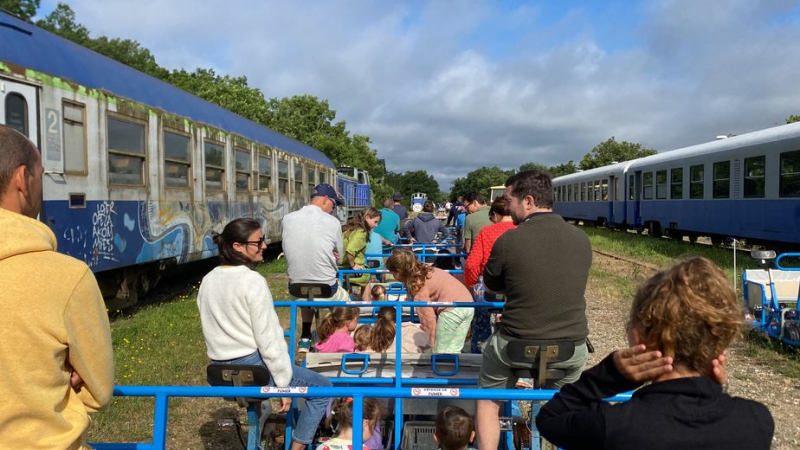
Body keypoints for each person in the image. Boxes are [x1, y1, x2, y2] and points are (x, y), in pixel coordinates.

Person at [536, 257, 775, 450]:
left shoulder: (612, 425)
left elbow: (549, 419)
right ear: (720, 343)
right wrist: (708, 388)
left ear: (640, 338)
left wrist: (609, 375)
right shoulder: (756, 421)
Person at [0, 124, 114, 449]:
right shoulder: (68, 277)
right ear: (23, 179)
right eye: (41, 175)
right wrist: (61, 381)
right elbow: (99, 391)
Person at [476, 170, 592, 449]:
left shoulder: (509, 240)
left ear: (528, 201)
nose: (507, 207)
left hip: (515, 344)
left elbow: (491, 284)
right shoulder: (581, 238)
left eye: (509, 200)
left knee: (487, 400)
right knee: (561, 401)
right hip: (570, 348)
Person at [199, 218, 333, 450]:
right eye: (258, 242)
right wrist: (283, 385)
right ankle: (297, 447)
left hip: (219, 370)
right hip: (253, 368)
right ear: (237, 247)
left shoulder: (208, 280)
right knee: (323, 389)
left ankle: (261, 430)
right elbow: (268, 338)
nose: (264, 246)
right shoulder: (252, 281)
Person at [282, 183, 351, 353]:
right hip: (327, 289)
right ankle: (337, 337)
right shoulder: (333, 222)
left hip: (296, 290)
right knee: (347, 301)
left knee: (307, 295)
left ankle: (305, 337)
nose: (333, 210)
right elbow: (339, 256)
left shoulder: (288, 219)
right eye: (334, 206)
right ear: (326, 200)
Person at [385, 250, 473, 353]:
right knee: (454, 349)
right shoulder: (426, 270)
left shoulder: (417, 285)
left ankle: (440, 367)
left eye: (392, 273)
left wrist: (430, 345)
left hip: (452, 309)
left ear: (399, 271)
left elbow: (428, 320)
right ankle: (451, 367)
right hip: (467, 304)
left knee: (440, 352)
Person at [462, 197, 516, 353]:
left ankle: (479, 355)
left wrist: (472, 282)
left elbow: (472, 263)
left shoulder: (487, 232)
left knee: (481, 323)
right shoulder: (522, 230)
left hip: (487, 283)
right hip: (515, 285)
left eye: (491, 218)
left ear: (495, 214)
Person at [340, 207, 382, 301]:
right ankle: (367, 304)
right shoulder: (361, 233)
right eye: (375, 222)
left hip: (341, 267)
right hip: (349, 268)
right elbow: (350, 250)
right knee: (367, 279)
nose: (376, 225)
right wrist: (353, 265)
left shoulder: (350, 229)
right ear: (367, 218)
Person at [321, 398, 386, 450]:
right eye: (374, 426)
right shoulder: (364, 448)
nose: (373, 433)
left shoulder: (322, 447)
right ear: (365, 423)